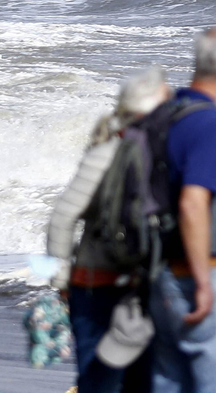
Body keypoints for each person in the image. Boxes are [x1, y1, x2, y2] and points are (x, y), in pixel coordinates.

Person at [47, 68, 172, 393]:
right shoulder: (166, 159)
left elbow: (62, 218)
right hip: (147, 288)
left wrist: (60, 280)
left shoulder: (105, 153)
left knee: (97, 378)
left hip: (95, 285)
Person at [150, 28, 216, 393]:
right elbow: (192, 204)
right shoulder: (208, 123)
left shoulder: (165, 115)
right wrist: (204, 283)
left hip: (158, 277)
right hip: (198, 277)